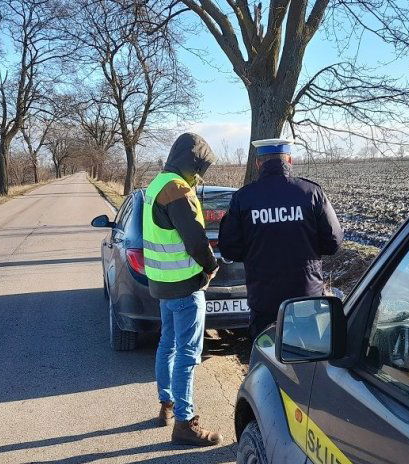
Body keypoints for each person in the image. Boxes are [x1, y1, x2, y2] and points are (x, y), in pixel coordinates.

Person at [218, 138, 344, 338]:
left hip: (264, 296)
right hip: (306, 294)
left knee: (266, 355)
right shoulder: (311, 192)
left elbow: (229, 247)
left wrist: (255, 254)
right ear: (290, 160)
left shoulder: (244, 198)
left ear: (258, 164)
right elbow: (333, 242)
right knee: (309, 355)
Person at [144, 132, 221, 446]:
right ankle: (186, 423)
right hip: (186, 287)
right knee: (188, 354)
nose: (200, 175)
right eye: (200, 168)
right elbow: (195, 241)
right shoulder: (178, 189)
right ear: (192, 162)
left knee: (168, 345)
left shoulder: (156, 184)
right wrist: (211, 266)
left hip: (162, 285)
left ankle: (167, 406)